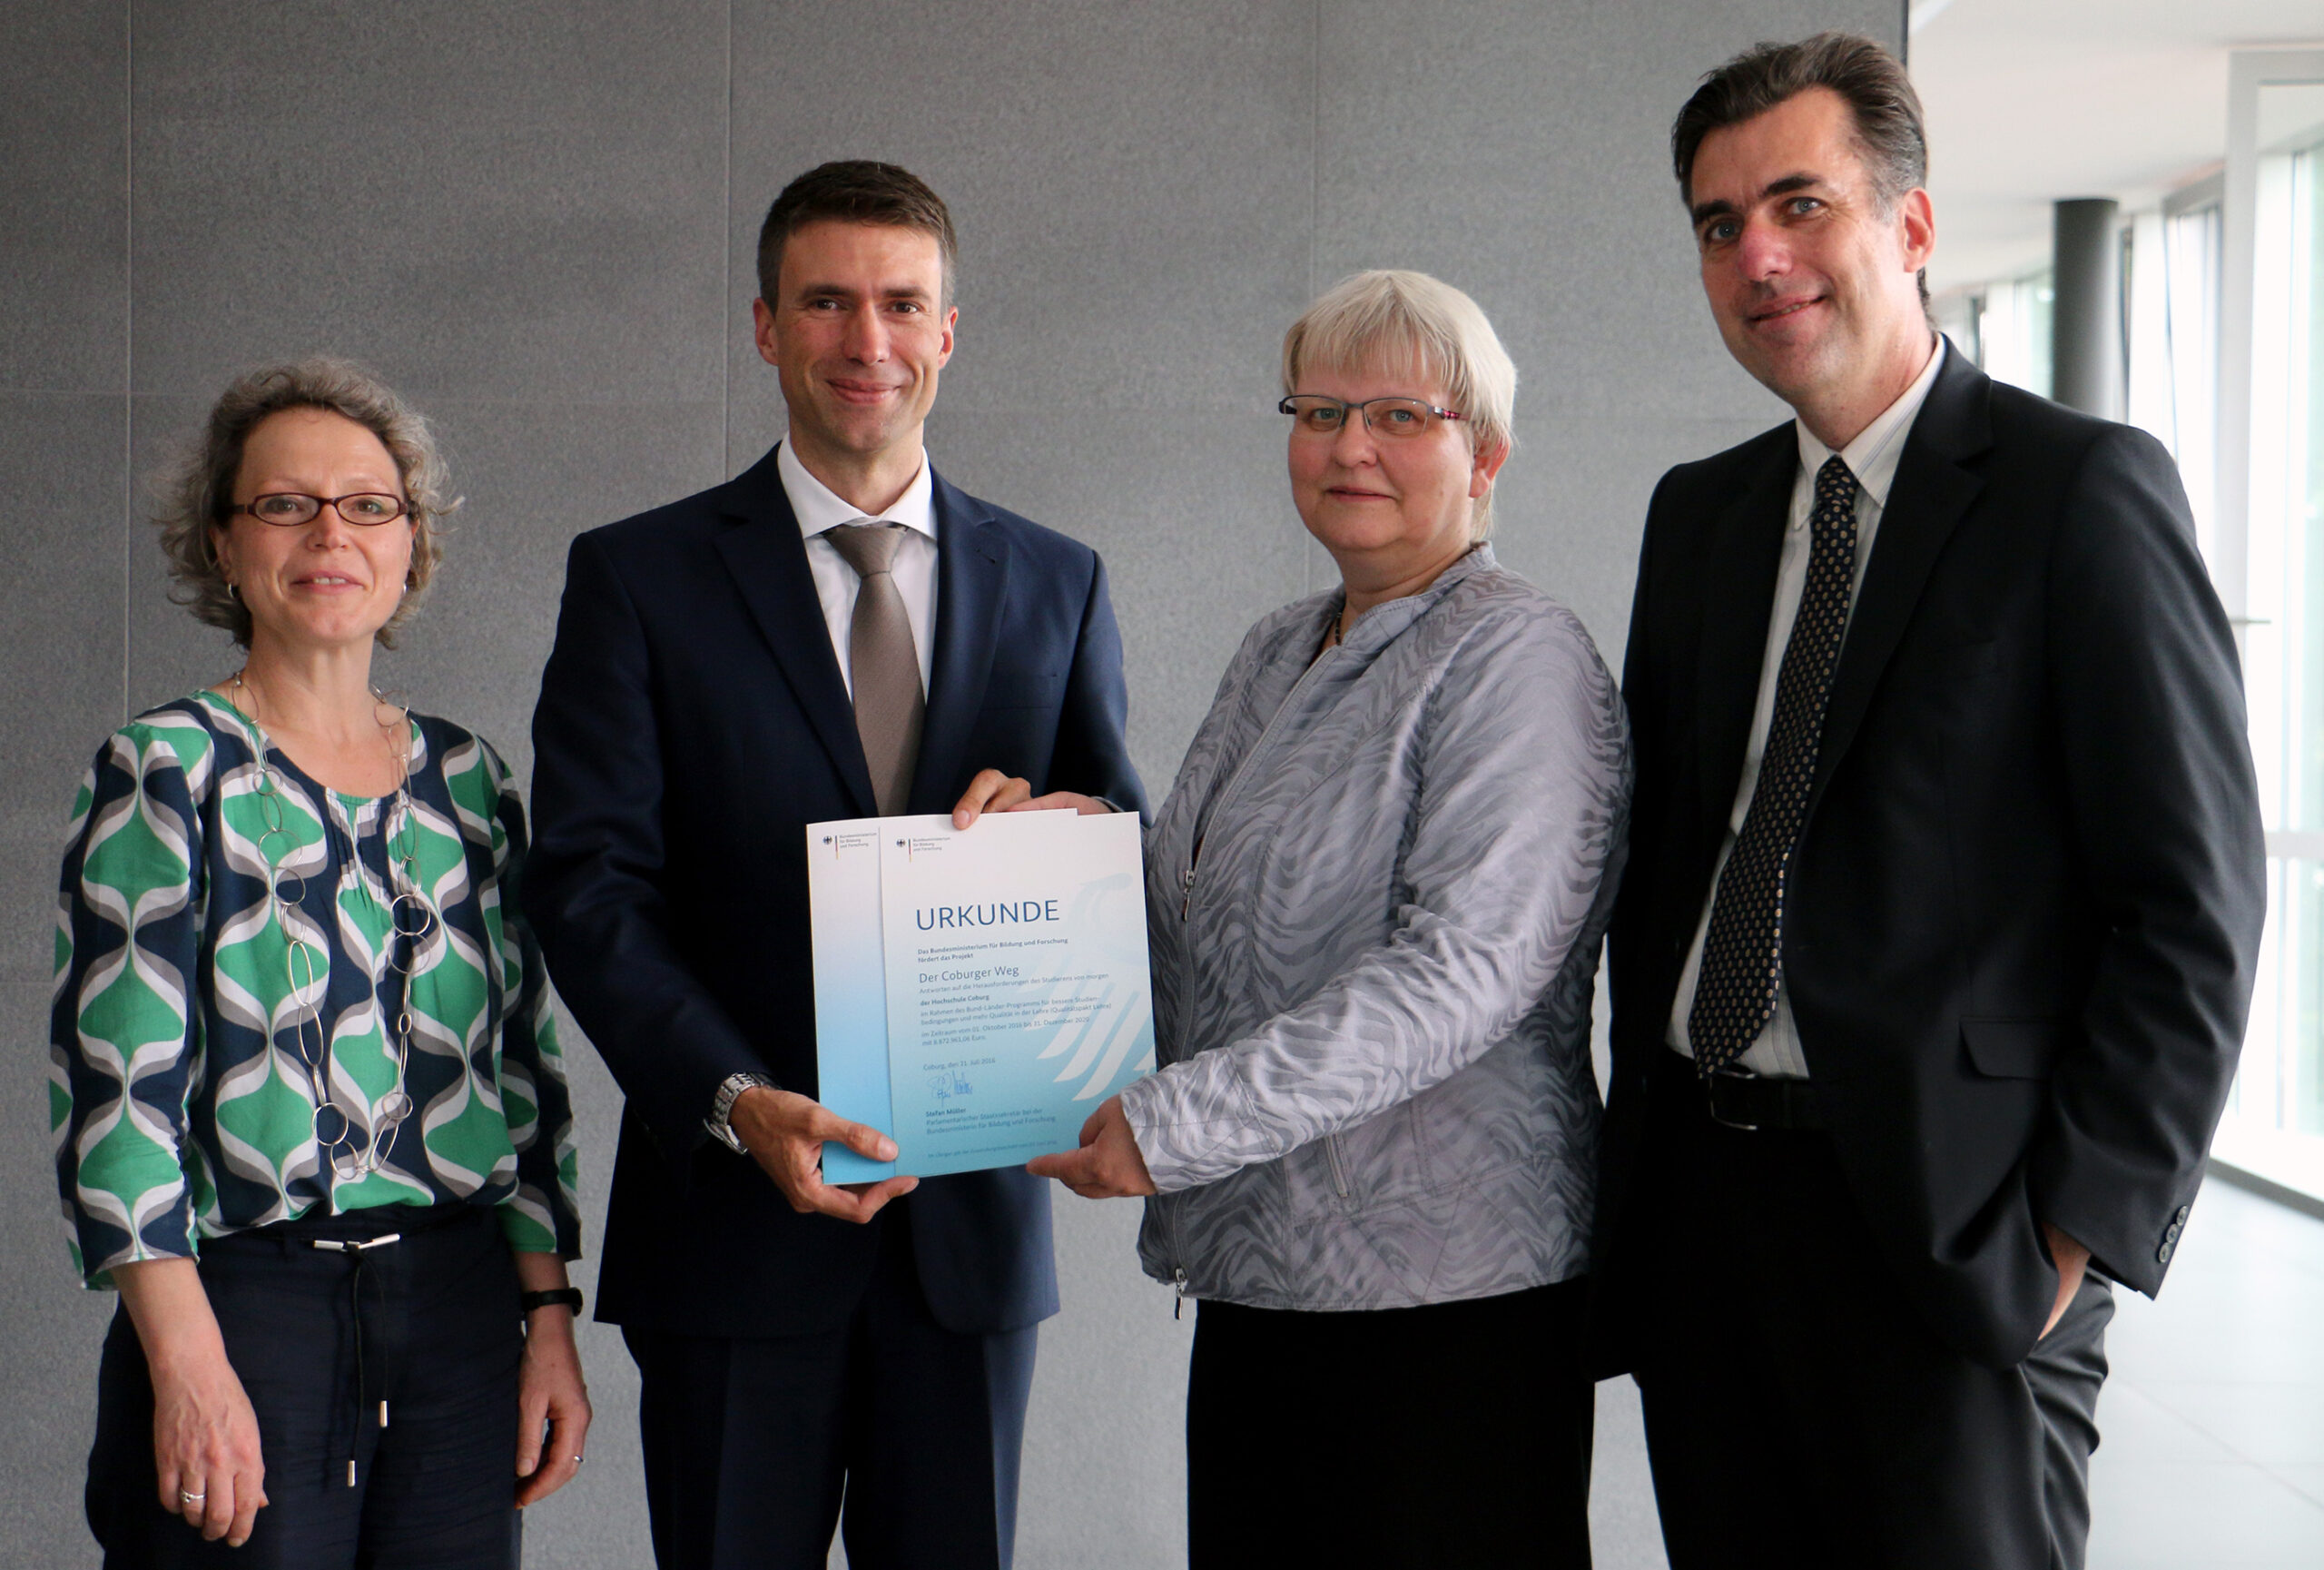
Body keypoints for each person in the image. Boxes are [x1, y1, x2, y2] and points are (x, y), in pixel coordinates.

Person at [1590, 32, 2267, 1570]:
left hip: (1953, 1230)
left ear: (1910, 224)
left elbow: (2193, 905)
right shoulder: (1697, 517)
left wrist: (2068, 1233)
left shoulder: (2078, 492)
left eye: (1799, 203)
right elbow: (1669, 864)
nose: (1757, 254)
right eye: (1717, 224)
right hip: (1708, 1213)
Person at [525, 160, 1145, 1570]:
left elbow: (1121, 845)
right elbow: (588, 884)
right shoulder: (639, 575)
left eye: (900, 304)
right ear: (765, 327)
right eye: (827, 302)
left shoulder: (1062, 578)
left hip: (968, 1244)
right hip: (730, 1240)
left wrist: (1073, 844)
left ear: (948, 331)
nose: (867, 340)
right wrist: (735, 1100)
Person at [966, 270, 1630, 1568]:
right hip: (1265, 1287)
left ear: (1484, 451)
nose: (1349, 446)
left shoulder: (1521, 656)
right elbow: (1205, 914)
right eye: (1318, 410)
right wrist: (1067, 867)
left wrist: (1172, 1125)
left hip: (1447, 1311)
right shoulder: (1283, 646)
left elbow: (1462, 972)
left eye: (1398, 413)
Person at [52, 359, 590, 1569]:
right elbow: (118, 1106)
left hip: (461, 1310)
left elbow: (521, 1079)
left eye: (367, 504)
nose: (329, 532)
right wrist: (185, 1366)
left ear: (410, 546)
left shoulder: (470, 780)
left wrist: (546, 1315)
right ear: (225, 546)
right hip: (249, 1305)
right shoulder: (166, 771)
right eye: (285, 504)